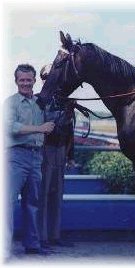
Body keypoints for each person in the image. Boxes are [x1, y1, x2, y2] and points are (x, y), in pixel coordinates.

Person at [4, 64, 55, 255]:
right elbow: (10, 127)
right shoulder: (10, 103)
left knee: (32, 203)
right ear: (16, 81)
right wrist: (39, 129)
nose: (25, 83)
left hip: (36, 157)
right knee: (7, 203)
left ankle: (32, 246)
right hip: (15, 157)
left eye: (29, 79)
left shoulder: (40, 102)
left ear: (35, 81)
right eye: (21, 80)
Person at [38, 64, 75, 248]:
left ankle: (54, 235)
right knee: (43, 194)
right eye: (47, 76)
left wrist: (70, 156)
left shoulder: (66, 103)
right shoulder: (38, 101)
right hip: (44, 151)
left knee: (57, 195)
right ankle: (42, 237)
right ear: (43, 78)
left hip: (61, 151)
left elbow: (70, 132)